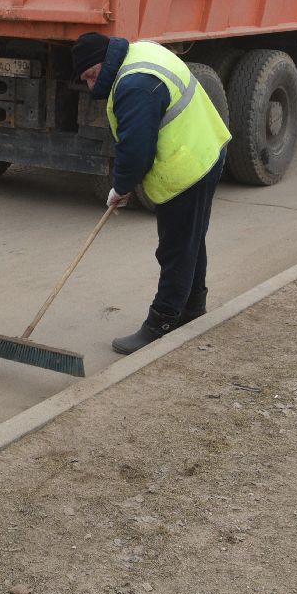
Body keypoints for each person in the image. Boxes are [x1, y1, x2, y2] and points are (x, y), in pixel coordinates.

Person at [72, 33, 231, 355]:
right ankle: (193, 307)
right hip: (203, 149)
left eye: (91, 75)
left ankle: (163, 321)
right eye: (84, 79)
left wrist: (120, 186)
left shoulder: (135, 85)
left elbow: (136, 150)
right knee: (189, 240)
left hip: (187, 165)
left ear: (104, 60)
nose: (91, 86)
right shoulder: (140, 51)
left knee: (175, 248)